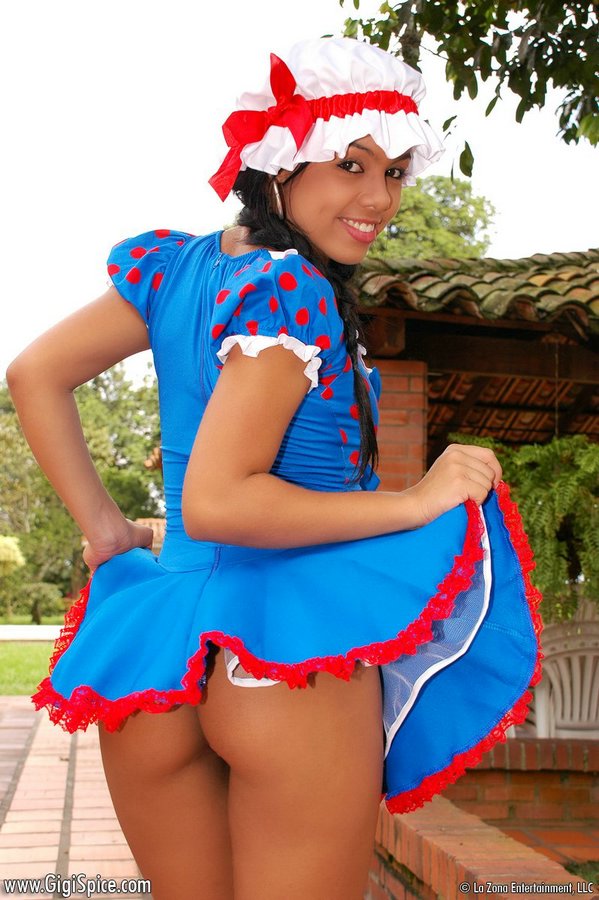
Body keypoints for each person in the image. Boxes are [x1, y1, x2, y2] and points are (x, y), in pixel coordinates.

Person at [7, 37, 541, 900]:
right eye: (350, 165)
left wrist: (105, 531)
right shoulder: (292, 289)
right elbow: (220, 501)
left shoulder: (174, 267)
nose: (379, 198)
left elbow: (35, 375)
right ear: (280, 163)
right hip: (286, 649)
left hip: (159, 653)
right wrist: (413, 502)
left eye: (395, 172)